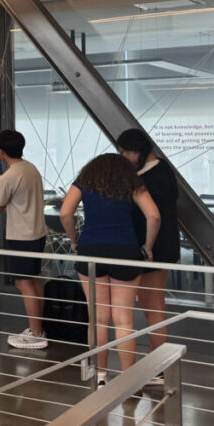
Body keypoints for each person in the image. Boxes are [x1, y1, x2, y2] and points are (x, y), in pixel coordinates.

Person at [59, 153, 160, 388]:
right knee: (123, 321)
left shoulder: (85, 180)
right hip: (125, 250)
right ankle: (128, 380)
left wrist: (74, 240)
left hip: (91, 250)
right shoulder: (130, 181)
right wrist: (148, 247)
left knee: (98, 319)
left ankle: (100, 376)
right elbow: (154, 215)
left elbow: (65, 213)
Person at [118, 129, 179, 385]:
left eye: (124, 152)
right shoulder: (165, 170)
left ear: (136, 152)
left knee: (151, 309)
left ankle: (157, 367)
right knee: (156, 307)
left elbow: (149, 216)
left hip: (150, 248)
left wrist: (146, 247)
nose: (123, 158)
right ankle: (158, 364)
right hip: (166, 247)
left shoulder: (143, 179)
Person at [0, 130, 49, 349]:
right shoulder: (31, 168)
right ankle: (38, 328)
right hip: (37, 233)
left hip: (20, 236)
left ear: (1, 152)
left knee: (24, 283)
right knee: (34, 280)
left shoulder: (8, 177)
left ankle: (36, 334)